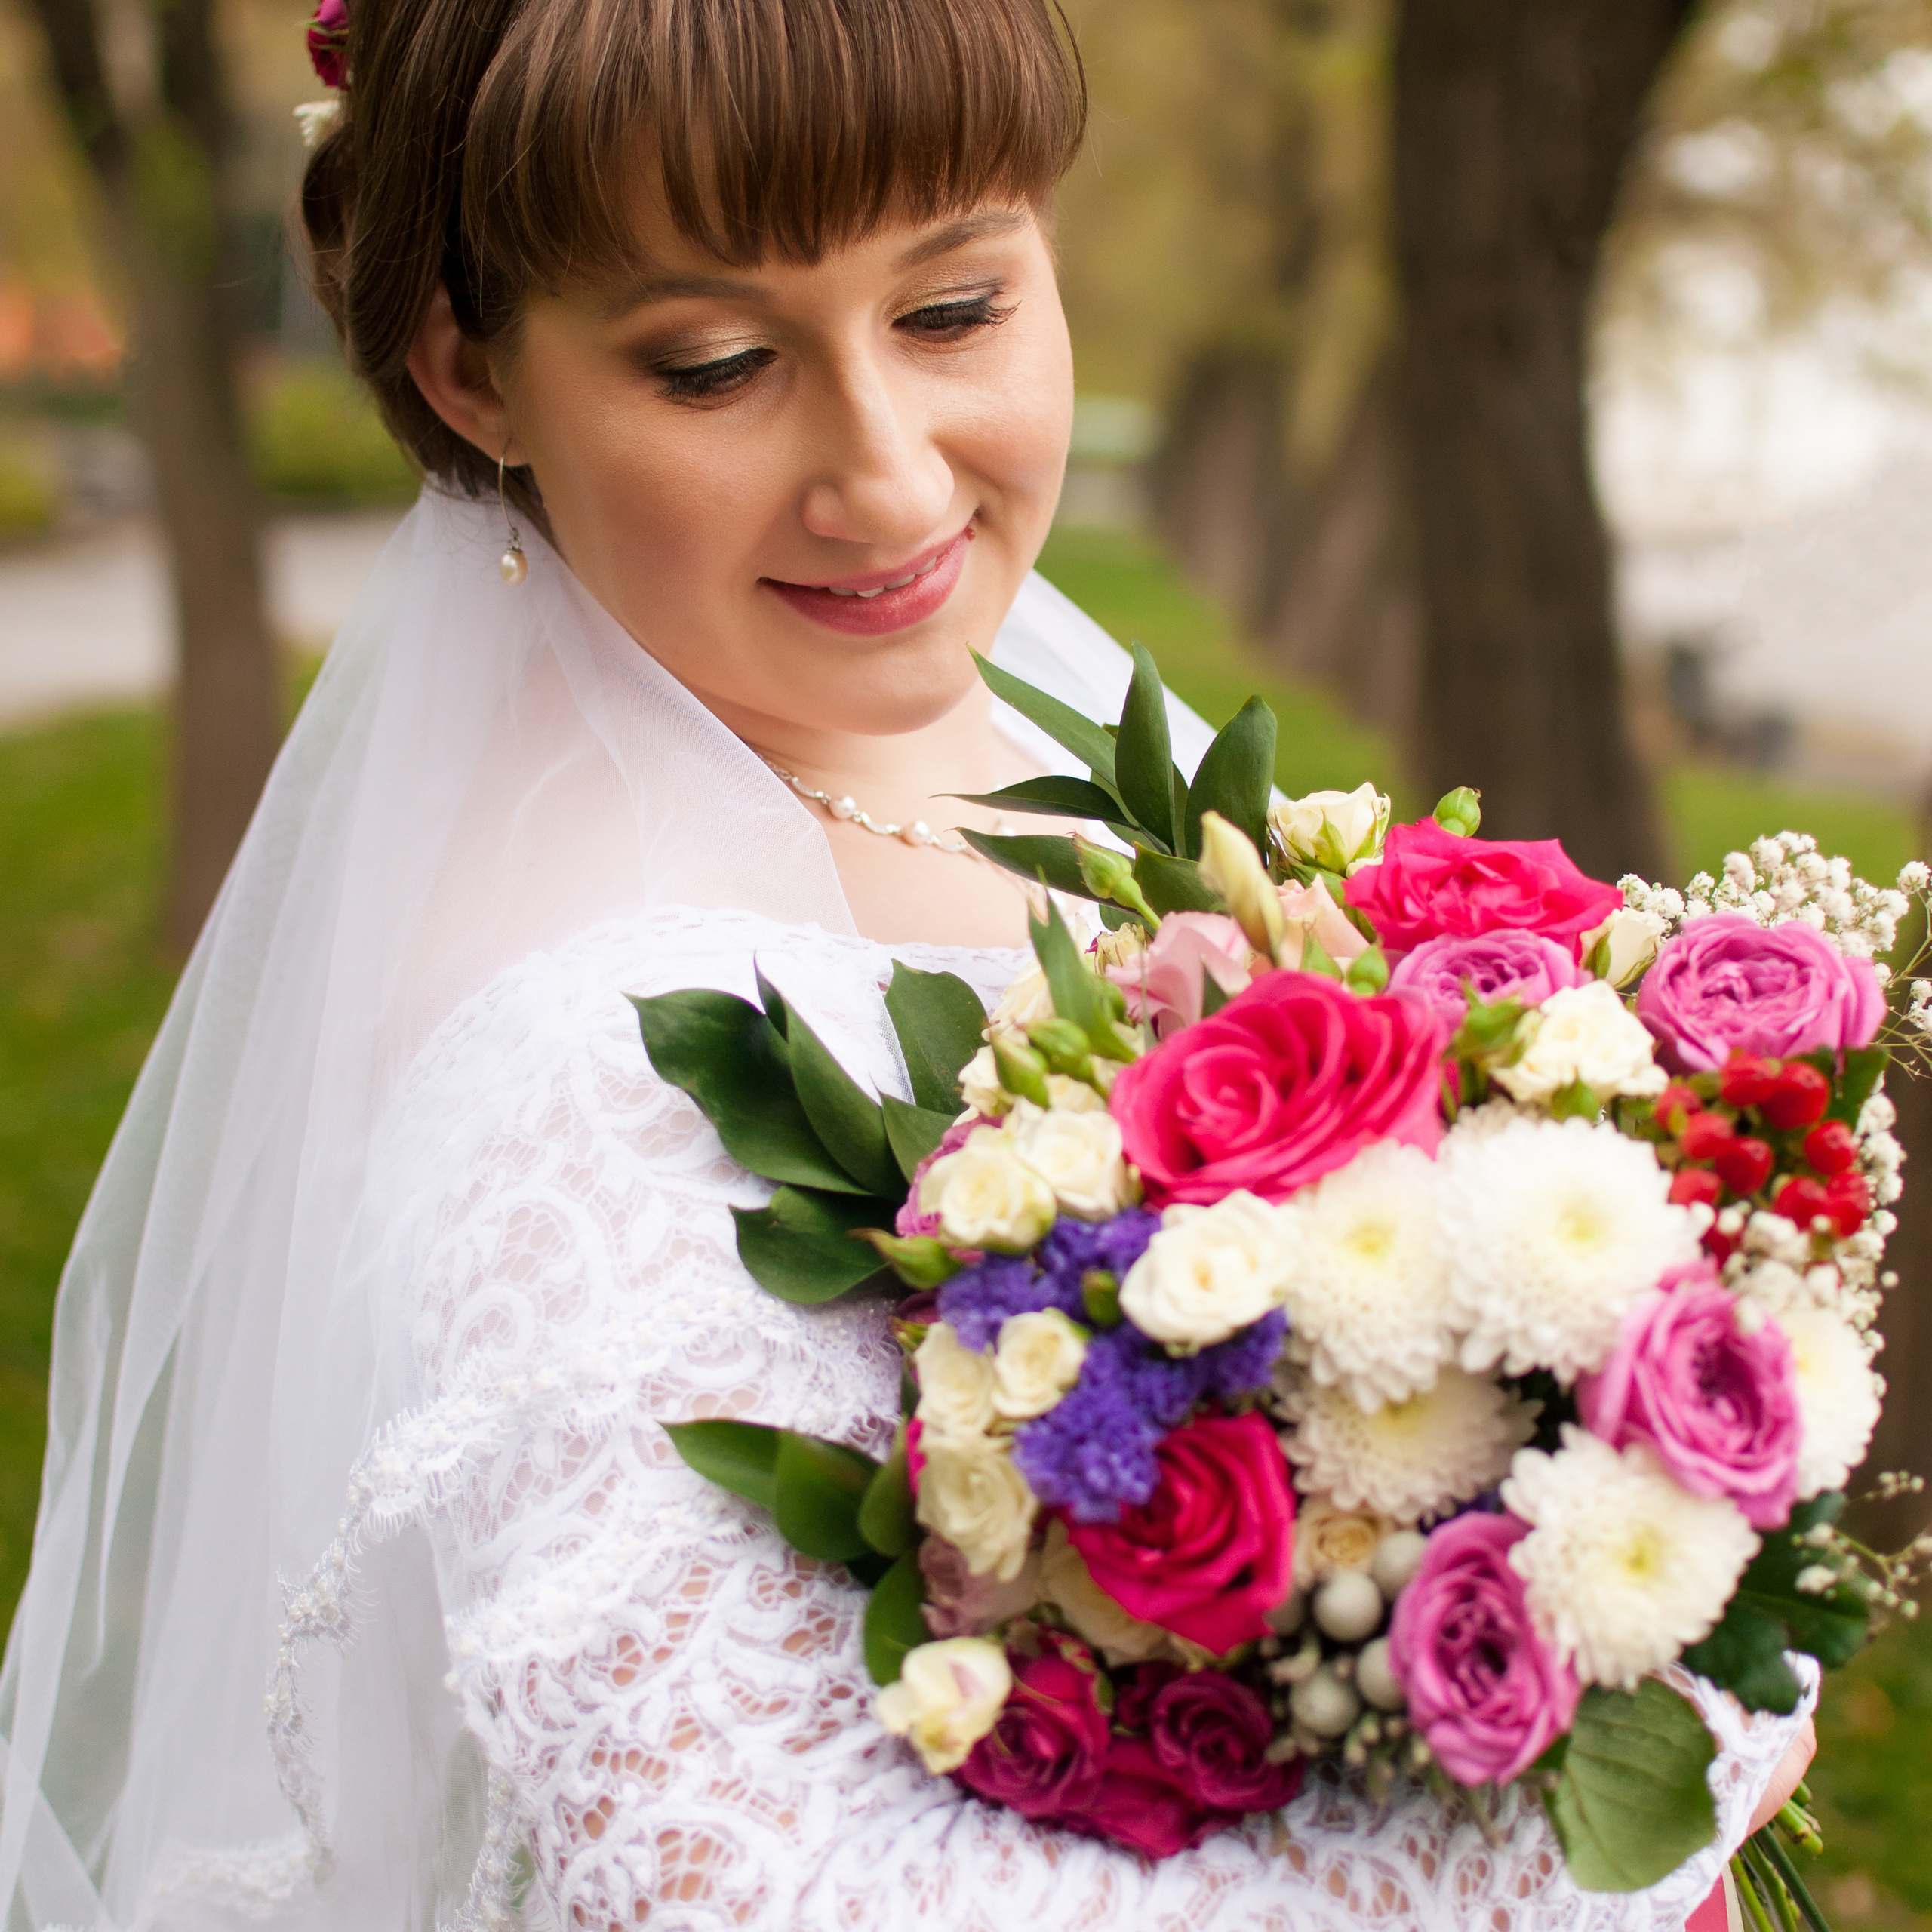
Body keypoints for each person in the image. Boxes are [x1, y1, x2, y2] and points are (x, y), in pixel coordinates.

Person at [0, 1, 1811, 1926]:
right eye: (712, 366)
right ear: (471, 373)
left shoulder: (996, 713)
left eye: (952, 312)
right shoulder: (566, 1043)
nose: (884, 480)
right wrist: (1590, 1829)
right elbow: (751, 1883)